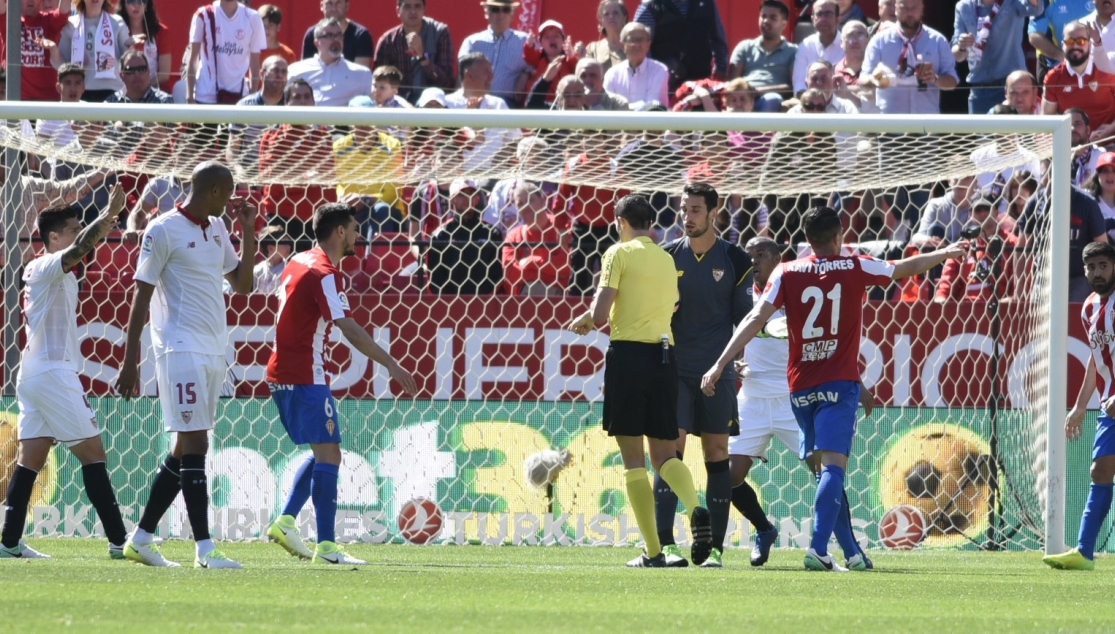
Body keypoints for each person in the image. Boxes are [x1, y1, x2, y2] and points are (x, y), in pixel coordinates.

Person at [702, 206, 966, 571]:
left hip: (799, 389)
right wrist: (945, 254)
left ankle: (852, 553)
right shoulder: (854, 265)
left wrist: (719, 363)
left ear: (805, 241)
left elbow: (754, 317)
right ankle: (819, 549)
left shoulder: (787, 271)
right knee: (831, 470)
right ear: (840, 235)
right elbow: (903, 269)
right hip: (835, 385)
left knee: (824, 470)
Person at [115, 161, 258, 569]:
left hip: (214, 349)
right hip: (179, 349)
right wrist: (130, 363)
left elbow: (243, 285)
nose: (232, 202)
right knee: (196, 443)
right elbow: (141, 297)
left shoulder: (218, 229)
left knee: (187, 447)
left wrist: (248, 232)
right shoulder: (161, 229)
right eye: (228, 194)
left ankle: (140, 538)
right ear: (214, 190)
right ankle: (205, 550)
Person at [265, 203, 418, 564]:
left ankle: (286, 521)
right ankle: (328, 547)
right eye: (353, 229)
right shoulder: (324, 272)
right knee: (330, 452)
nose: (357, 236)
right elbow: (348, 327)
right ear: (339, 232)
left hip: (285, 370)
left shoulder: (301, 260)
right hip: (304, 372)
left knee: (323, 450)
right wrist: (392, 365)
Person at [567, 194, 713, 568]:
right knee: (664, 456)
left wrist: (587, 319)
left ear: (620, 222)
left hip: (629, 357)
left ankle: (653, 552)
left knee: (634, 462)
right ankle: (697, 508)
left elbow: (601, 312)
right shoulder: (666, 258)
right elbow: (675, 303)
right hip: (665, 359)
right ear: (652, 224)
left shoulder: (618, 253)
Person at [0, 187, 128, 560]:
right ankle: (122, 541)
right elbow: (78, 250)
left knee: (30, 460)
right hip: (53, 374)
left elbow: (80, 252)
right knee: (94, 455)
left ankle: (8, 541)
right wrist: (106, 218)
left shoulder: (61, 274)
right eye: (73, 228)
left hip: (36, 373)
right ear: (53, 236)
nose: (78, 232)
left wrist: (99, 225)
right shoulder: (42, 265)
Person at [653, 183, 753, 569]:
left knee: (717, 454)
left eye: (695, 209)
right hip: (674, 370)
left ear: (714, 212)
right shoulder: (665, 257)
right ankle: (666, 545)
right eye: (684, 209)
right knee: (670, 454)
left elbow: (744, 320)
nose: (687, 216)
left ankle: (714, 549)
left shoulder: (735, 260)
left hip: (718, 372)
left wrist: (735, 361)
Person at [1043, 241, 1115, 571]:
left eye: (1103, 265)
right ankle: (1084, 552)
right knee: (1100, 469)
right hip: (1109, 404)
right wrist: (1079, 405)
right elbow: (1096, 357)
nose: (1097, 273)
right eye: (1091, 267)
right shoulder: (1088, 307)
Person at [258, 79, 337, 246]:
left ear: (314, 102)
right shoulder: (275, 136)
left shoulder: (323, 135)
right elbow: (269, 177)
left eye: (307, 97)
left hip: (319, 219)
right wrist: (305, 179)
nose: (303, 101)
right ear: (286, 103)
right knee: (283, 270)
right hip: (284, 217)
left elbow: (330, 174)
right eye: (297, 97)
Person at [860, 0, 958, 115]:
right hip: (890, 125)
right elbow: (863, 80)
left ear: (922, 9)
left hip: (926, 125)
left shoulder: (937, 41)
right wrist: (874, 80)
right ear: (896, 9)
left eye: (915, 8)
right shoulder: (879, 41)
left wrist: (935, 79)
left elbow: (953, 81)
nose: (910, 13)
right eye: (905, 8)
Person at [952, 0, 1043, 115]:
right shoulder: (964, 6)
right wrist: (962, 46)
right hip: (980, 90)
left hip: (1012, 90)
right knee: (980, 133)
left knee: (1016, 132)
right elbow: (958, 56)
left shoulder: (1013, 2)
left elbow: (1037, 9)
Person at [445, 53, 521, 173]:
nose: (492, 77)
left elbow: (515, 141)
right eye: (487, 72)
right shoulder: (447, 105)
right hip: (456, 184)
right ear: (469, 75)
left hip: (493, 183)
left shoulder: (499, 104)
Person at [932, 195, 1017, 303]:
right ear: (970, 214)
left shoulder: (1012, 244)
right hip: (964, 313)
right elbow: (945, 287)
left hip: (1000, 311)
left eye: (987, 209)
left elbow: (1020, 289)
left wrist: (1005, 304)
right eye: (978, 210)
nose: (982, 214)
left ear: (996, 212)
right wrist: (940, 302)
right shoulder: (962, 247)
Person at [426, 178, 504, 295]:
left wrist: (484, 299)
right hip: (449, 305)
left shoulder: (492, 233)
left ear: (477, 200)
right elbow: (435, 279)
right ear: (452, 200)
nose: (468, 198)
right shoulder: (440, 235)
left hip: (484, 304)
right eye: (462, 194)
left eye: (472, 194)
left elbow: (497, 275)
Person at [634, 0, 730, 92]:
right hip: (664, 85)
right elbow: (638, 45)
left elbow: (718, 38)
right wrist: (655, 73)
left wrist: (721, 67)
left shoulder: (706, 2)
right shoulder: (651, 5)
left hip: (700, 81)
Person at [1042, 22, 1115, 142]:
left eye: (1081, 41)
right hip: (1071, 148)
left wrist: (1110, 128)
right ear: (1062, 45)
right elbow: (1047, 118)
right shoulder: (1053, 77)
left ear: (1090, 44)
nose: (1075, 46)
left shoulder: (1106, 69)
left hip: (1110, 145)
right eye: (1070, 42)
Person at [373, 0, 455, 104]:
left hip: (432, 106)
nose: (413, 11)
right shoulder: (388, 41)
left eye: (417, 6)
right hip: (398, 107)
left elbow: (447, 82)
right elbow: (378, 83)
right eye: (407, 7)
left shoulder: (440, 33)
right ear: (398, 10)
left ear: (424, 9)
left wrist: (423, 58)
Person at [186, 0, 266, 104]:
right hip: (206, 96)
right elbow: (193, 59)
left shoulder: (253, 17)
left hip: (240, 95)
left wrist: (252, 96)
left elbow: (255, 64)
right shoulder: (203, 14)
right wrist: (189, 96)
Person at [56, 0, 135, 102]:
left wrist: (130, 46)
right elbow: (62, 63)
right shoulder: (70, 24)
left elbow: (126, 60)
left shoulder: (117, 22)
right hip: (81, 92)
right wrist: (53, 49)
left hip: (113, 91)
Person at [225, 55, 288, 181]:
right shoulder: (245, 106)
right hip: (250, 175)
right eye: (275, 71)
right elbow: (232, 150)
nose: (280, 75)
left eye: (284, 72)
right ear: (262, 74)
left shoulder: (290, 105)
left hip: (283, 175)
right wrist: (239, 172)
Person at [457, 0, 531, 107]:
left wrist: (525, 74)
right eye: (495, 10)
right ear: (487, 13)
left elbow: (538, 68)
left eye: (506, 10)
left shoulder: (524, 42)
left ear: (512, 14)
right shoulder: (472, 42)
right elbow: (461, 77)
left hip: (506, 102)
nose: (500, 15)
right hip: (473, 100)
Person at [501, 182, 570, 295]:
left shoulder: (562, 228)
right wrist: (549, 273)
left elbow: (566, 266)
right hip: (522, 302)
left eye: (531, 200)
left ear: (543, 200)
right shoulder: (513, 236)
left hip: (557, 300)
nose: (526, 206)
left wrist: (530, 261)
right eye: (520, 203)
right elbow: (510, 275)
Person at [729, 0, 798, 113]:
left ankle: (759, 131)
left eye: (773, 18)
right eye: (763, 16)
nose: (766, 21)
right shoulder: (745, 47)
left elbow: (793, 87)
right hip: (742, 98)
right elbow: (732, 82)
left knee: (771, 99)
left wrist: (760, 91)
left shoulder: (793, 51)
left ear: (784, 24)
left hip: (772, 100)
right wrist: (746, 93)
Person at [289, 18, 374, 108]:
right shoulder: (295, 71)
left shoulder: (362, 74)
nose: (336, 40)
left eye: (339, 35)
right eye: (329, 36)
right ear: (317, 42)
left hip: (342, 121)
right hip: (304, 120)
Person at [2, 0, 72, 101]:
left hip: (49, 100)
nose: (31, 1)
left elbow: (63, 12)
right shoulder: (8, 21)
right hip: (17, 99)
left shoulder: (49, 20)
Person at [602, 22, 669, 110]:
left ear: (648, 45)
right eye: (632, 40)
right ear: (622, 45)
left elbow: (652, 107)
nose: (637, 45)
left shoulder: (659, 70)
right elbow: (607, 105)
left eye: (640, 40)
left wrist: (623, 108)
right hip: (618, 123)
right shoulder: (612, 74)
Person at [1028, 0, 1095, 83]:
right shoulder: (1046, 1)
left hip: (1096, 66)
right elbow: (1034, 35)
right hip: (1056, 67)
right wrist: (1065, 58)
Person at [301, 0, 373, 68]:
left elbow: (360, 76)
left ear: (347, 6)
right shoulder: (312, 35)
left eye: (338, 3)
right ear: (321, 6)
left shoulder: (361, 36)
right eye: (329, 3)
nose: (333, 8)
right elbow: (306, 71)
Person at [793, 0, 844, 95]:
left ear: (838, 19)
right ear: (812, 19)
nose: (823, 19)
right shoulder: (805, 45)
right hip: (810, 103)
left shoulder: (847, 45)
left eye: (828, 14)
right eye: (819, 14)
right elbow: (799, 84)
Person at [119, 0, 171, 89]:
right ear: (123, 5)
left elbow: (164, 74)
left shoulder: (160, 32)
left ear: (147, 6)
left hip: (152, 90)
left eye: (142, 1)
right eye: (131, 1)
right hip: (122, 90)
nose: (136, 5)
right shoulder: (115, 30)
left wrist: (142, 87)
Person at [584, 0, 628, 72]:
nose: (611, 17)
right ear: (601, 21)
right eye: (606, 14)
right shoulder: (592, 49)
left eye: (615, 13)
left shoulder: (634, 46)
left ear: (624, 18)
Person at [1086, 152, 1115, 238]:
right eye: (1105, 171)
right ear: (1097, 174)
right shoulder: (1088, 202)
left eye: (1114, 171)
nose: (1110, 175)